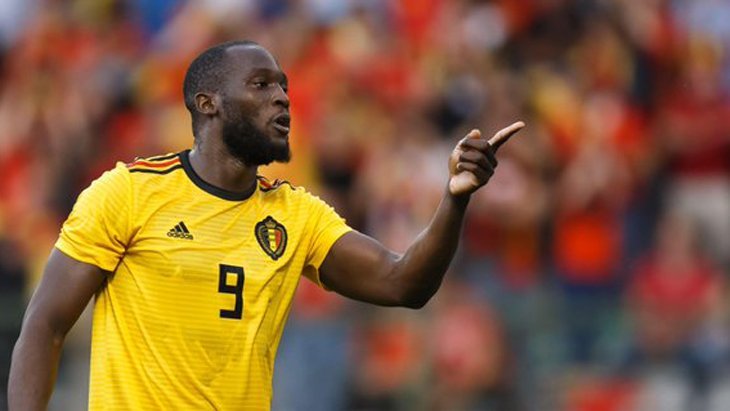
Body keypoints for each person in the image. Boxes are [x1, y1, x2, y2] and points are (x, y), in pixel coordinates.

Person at [8, 40, 524, 410]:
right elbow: (44, 325)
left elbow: (403, 284)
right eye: (261, 84)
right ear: (208, 103)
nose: (282, 97)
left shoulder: (295, 214)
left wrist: (454, 200)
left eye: (284, 86)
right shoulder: (128, 193)